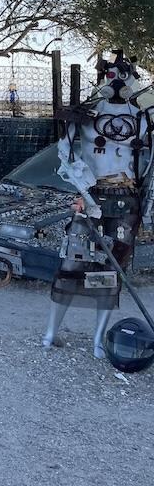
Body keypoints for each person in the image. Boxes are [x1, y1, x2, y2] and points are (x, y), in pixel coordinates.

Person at [43, 51, 152, 358]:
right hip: (91, 197)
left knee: (111, 270)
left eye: (124, 75)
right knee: (71, 264)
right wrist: (83, 191)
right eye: (112, 75)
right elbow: (65, 155)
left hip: (126, 199)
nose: (118, 82)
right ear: (104, 78)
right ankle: (51, 333)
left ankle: (97, 340)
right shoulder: (84, 117)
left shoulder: (144, 118)